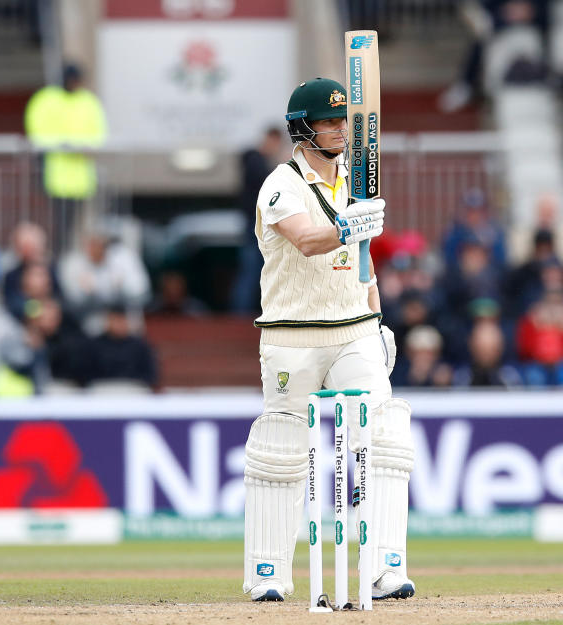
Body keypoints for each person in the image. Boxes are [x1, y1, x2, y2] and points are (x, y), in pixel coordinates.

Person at [242, 77, 413, 603]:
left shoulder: (354, 182)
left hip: (353, 330)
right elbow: (306, 238)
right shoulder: (280, 184)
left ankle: (384, 566)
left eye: (345, 121)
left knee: (384, 435)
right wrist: (348, 225)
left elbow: (365, 269)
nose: (342, 130)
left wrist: (378, 320)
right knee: (282, 448)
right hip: (292, 335)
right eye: (330, 121)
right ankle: (268, 572)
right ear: (302, 128)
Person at [24, 63, 107, 251]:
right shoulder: (46, 99)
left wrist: (81, 146)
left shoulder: (88, 101)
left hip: (80, 177)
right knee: (57, 223)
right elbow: (36, 129)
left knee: (72, 224)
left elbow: (98, 133)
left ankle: (67, 252)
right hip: (54, 174)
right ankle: (56, 254)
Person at [231, 127, 284, 314]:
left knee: (257, 269)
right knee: (253, 269)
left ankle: (244, 312)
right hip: (257, 225)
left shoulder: (256, 162)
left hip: (259, 224)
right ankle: (241, 315)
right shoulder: (256, 162)